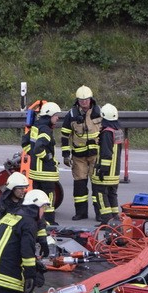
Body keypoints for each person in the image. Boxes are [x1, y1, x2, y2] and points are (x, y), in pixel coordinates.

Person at [0, 189, 48, 293]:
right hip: (7, 277)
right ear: (37, 206)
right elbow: (27, 252)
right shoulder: (29, 223)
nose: (44, 211)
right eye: (44, 207)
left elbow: (13, 247)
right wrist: (31, 276)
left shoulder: (13, 215)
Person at [59, 86, 102, 221]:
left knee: (97, 186)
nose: (84, 102)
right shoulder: (71, 115)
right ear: (77, 100)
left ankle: (100, 213)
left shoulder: (99, 112)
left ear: (91, 99)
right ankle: (81, 213)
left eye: (86, 100)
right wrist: (66, 155)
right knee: (79, 187)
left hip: (96, 155)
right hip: (79, 157)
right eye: (81, 100)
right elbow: (65, 136)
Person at [0, 171, 51, 259]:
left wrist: (43, 240)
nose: (23, 191)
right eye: (20, 188)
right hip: (7, 243)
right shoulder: (0, 205)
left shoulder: (27, 201)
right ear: (12, 188)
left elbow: (39, 221)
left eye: (24, 188)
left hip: (24, 239)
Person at [23, 101, 61, 225]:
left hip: (35, 172)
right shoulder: (45, 130)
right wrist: (47, 158)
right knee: (49, 198)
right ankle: (49, 222)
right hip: (45, 173)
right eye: (56, 116)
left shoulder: (35, 126)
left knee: (37, 197)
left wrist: (32, 155)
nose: (57, 118)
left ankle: (37, 221)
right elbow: (39, 148)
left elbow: (25, 143)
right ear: (49, 116)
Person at [91, 103, 122, 224]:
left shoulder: (107, 133)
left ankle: (107, 221)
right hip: (115, 173)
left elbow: (106, 153)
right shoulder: (118, 131)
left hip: (106, 173)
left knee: (101, 196)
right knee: (112, 196)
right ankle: (115, 220)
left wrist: (102, 170)